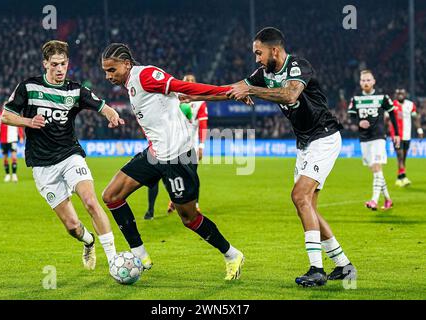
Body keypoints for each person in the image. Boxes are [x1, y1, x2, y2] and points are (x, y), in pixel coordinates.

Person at [222, 27, 355, 287]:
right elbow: (234, 88)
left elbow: (290, 94)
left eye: (259, 53)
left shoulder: (298, 66)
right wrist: (189, 94)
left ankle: (316, 269)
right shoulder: (263, 73)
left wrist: (252, 91)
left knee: (299, 196)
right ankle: (343, 265)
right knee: (309, 207)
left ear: (275, 50)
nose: (257, 59)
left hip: (324, 137)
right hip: (305, 143)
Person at [100, 43, 244, 280]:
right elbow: (185, 96)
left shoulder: (145, 75)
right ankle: (140, 254)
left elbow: (184, 87)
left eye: (112, 70)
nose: (108, 76)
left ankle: (232, 254)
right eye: (105, 71)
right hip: (156, 154)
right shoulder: (131, 84)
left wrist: (229, 91)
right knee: (111, 196)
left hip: (177, 156)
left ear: (126, 64)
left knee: (189, 218)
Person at [1, 40, 121, 272]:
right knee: (72, 226)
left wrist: (110, 113)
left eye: (63, 64)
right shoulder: (28, 87)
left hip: (70, 156)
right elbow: (6, 115)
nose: (59, 69)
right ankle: (88, 242)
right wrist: (28, 121)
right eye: (54, 64)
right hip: (42, 165)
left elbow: (101, 105)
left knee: (90, 201)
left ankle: (114, 261)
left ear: (68, 64)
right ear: (45, 63)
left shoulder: (74, 90)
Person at [144, 73, 208, 220]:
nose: (190, 83)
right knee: (170, 175)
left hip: (191, 144)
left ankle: (194, 204)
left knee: (192, 175)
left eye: (192, 81)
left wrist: (201, 146)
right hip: (171, 143)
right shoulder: (173, 98)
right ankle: (173, 201)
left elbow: (203, 125)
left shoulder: (200, 102)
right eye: (187, 81)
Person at [348, 70, 400, 210]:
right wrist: (359, 122)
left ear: (373, 81)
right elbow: (351, 116)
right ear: (360, 82)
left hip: (379, 136)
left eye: (368, 80)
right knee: (376, 171)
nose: (366, 82)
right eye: (363, 80)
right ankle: (388, 200)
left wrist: (396, 133)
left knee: (377, 167)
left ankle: (374, 200)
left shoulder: (382, 97)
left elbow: (393, 114)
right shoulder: (356, 99)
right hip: (364, 138)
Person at [389, 88, 423, 187]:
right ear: (395, 94)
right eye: (398, 93)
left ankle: (399, 178)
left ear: (405, 94)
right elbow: (387, 119)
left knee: (403, 157)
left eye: (402, 93)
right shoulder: (392, 104)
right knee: (400, 155)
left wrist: (419, 129)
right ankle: (403, 177)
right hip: (396, 135)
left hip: (407, 135)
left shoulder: (410, 105)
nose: (400, 94)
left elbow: (415, 118)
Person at [0, 105, 24, 182]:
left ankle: (14, 174)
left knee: (14, 157)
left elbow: (18, 125)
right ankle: (7, 174)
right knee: (5, 158)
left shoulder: (14, 114)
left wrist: (21, 136)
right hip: (3, 140)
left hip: (12, 138)